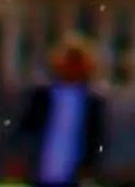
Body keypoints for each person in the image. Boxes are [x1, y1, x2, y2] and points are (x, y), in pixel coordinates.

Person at [7, 33, 109, 187]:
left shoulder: (93, 102)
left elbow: (96, 138)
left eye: (77, 62)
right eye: (69, 61)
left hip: (74, 173)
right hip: (40, 169)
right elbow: (25, 130)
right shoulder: (41, 96)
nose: (71, 67)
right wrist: (19, 161)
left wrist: (90, 169)